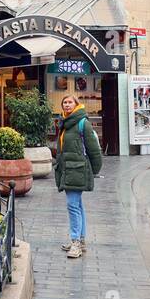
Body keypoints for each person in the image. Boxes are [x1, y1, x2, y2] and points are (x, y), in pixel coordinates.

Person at [53, 95, 103, 259]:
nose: (67, 105)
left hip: (78, 169)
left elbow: (94, 150)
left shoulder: (82, 123)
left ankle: (75, 243)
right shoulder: (65, 123)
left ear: (76, 105)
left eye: (70, 102)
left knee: (72, 206)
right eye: (64, 102)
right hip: (68, 169)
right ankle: (80, 241)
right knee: (78, 205)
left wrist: (94, 171)